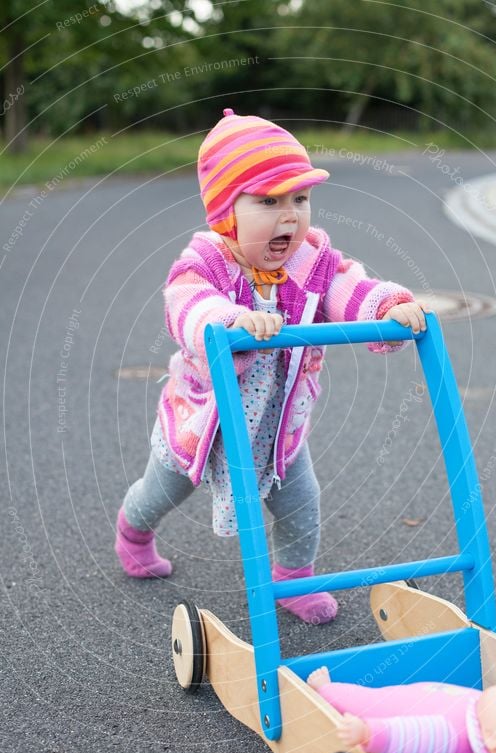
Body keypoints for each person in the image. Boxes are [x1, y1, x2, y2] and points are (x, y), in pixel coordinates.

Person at [115, 107, 429, 625]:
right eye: (269, 201)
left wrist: (385, 307)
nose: (290, 216)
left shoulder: (310, 258)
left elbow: (346, 287)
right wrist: (229, 320)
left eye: (300, 200)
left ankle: (292, 581)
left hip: (278, 422)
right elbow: (186, 305)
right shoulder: (207, 262)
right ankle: (133, 531)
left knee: (300, 499)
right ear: (226, 214)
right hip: (206, 419)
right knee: (163, 488)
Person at [307, 666, 496, 753]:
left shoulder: (448, 737)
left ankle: (326, 689)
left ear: (492, 737)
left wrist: (368, 732)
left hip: (395, 707)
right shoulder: (485, 716)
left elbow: (405, 736)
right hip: (426, 697)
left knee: (364, 700)